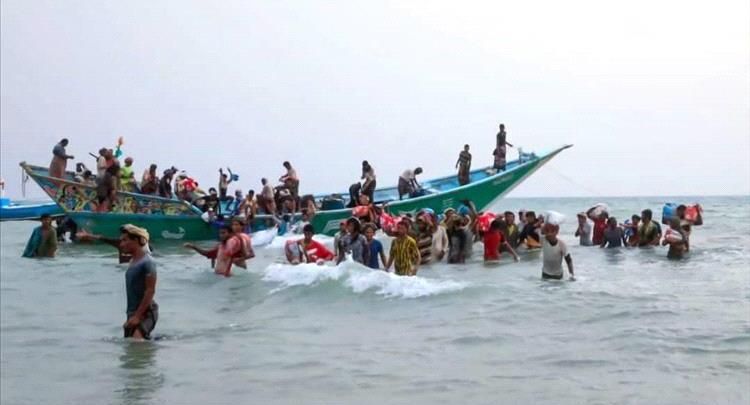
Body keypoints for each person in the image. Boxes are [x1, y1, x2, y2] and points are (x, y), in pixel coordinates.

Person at [119, 224, 158, 340]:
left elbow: (150, 291)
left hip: (146, 312)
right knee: (130, 346)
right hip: (132, 313)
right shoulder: (133, 261)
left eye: (125, 240)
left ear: (136, 240)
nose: (121, 244)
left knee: (136, 344)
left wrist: (137, 316)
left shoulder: (148, 262)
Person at [76, 228, 154, 264]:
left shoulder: (143, 246)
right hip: (122, 269)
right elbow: (103, 238)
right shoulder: (119, 242)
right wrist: (87, 235)